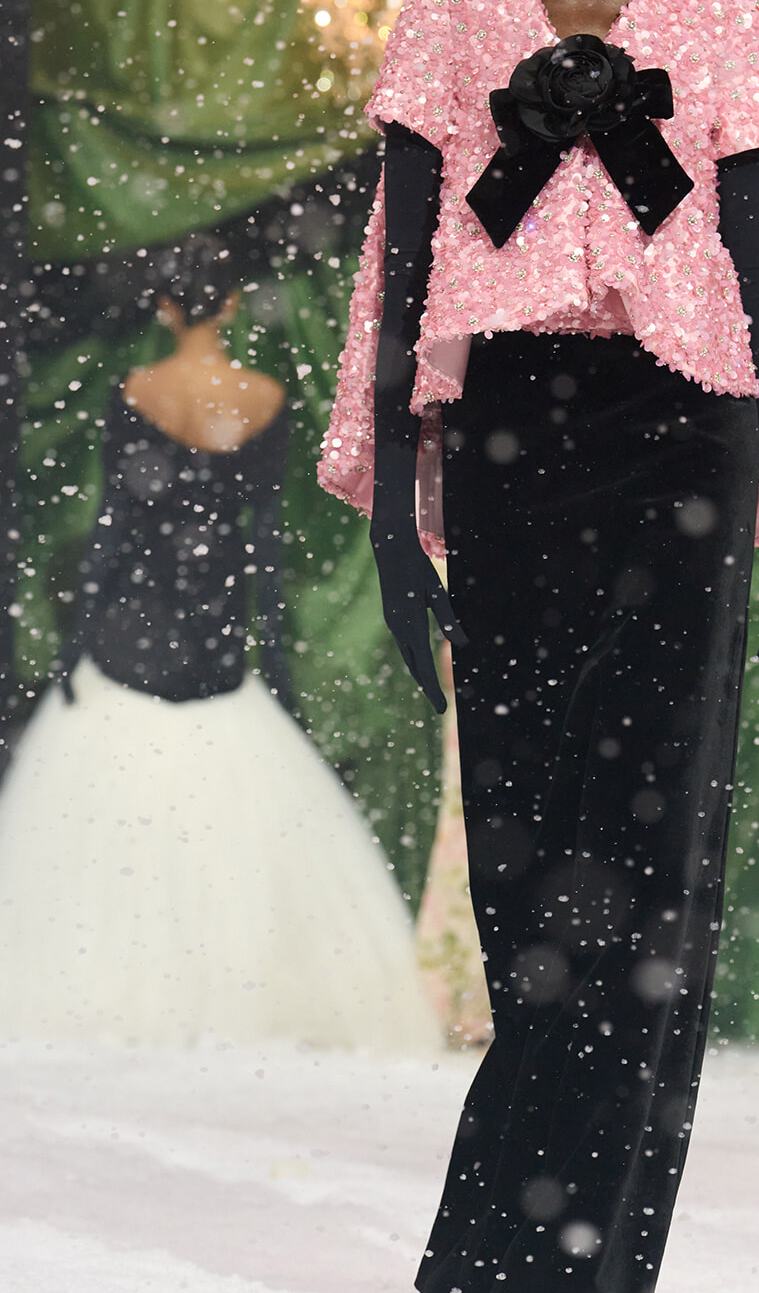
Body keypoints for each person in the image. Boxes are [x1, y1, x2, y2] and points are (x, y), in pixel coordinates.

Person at [319, 0, 759, 1293]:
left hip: (684, 432)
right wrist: (401, 513)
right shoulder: (456, 5)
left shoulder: (726, 20)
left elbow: (746, 280)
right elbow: (415, 260)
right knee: (537, 855)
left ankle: (566, 1284)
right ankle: (504, 1240)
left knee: (657, 855)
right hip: (517, 442)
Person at [0, 235, 441, 1055]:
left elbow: (113, 529)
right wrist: (271, 658)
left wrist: (74, 647)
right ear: (232, 303)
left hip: (137, 622)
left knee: (109, 819)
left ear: (166, 308)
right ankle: (233, 997)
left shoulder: (137, 389)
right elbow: (263, 546)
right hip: (215, 625)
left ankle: (119, 995)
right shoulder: (264, 397)